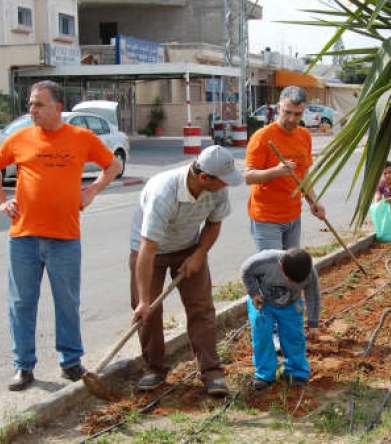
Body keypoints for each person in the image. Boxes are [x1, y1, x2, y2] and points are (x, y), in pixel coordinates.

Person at [0, 80, 123, 391]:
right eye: (31, 104)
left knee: (67, 301)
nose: (32, 109)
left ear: (58, 107)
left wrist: (92, 191)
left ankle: (70, 362)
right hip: (24, 237)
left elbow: (113, 165)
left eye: (38, 104)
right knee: (21, 303)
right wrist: (2, 200)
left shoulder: (81, 138)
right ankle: (23, 367)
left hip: (65, 238)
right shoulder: (20, 139)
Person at [130, 145, 243, 396]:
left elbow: (214, 224)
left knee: (201, 307)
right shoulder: (164, 192)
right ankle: (155, 369)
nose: (226, 186)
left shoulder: (217, 189)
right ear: (204, 177)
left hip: (189, 247)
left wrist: (199, 254)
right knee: (148, 311)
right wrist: (144, 300)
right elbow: (147, 249)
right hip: (151, 251)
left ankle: (211, 372)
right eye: (223, 182)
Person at [244, 86, 326, 252]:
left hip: (293, 216)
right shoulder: (262, 137)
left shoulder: (304, 136)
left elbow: (304, 176)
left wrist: (314, 201)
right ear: (278, 107)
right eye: (287, 112)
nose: (291, 119)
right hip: (266, 218)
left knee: (290, 271)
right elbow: (248, 177)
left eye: (297, 114)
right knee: (273, 269)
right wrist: (277, 171)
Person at [241, 248, 320, 390]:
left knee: (294, 337)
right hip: (262, 303)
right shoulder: (265, 261)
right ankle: (264, 375)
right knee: (262, 336)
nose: (291, 282)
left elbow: (312, 294)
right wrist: (254, 293)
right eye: (289, 279)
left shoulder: (310, 273)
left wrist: (313, 323)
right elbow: (246, 271)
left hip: (291, 305)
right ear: (281, 266)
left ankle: (297, 371)